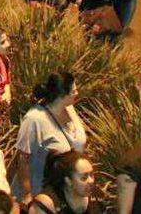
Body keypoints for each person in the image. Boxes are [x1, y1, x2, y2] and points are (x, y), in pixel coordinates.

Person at [13, 72, 87, 204]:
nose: (77, 93)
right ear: (62, 95)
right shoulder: (34, 119)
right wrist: (27, 194)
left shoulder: (70, 109)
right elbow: (23, 159)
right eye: (74, 90)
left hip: (66, 188)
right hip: (42, 191)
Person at [28, 152, 99, 214]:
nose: (91, 181)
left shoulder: (96, 196)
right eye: (84, 178)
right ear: (68, 181)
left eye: (91, 175)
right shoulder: (47, 203)